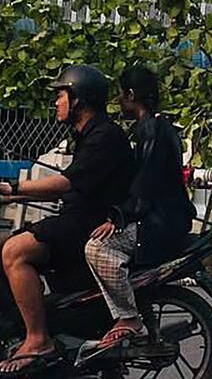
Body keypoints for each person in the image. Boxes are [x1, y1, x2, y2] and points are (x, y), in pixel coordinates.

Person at [0, 66, 134, 374]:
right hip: (78, 217)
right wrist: (14, 197)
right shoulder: (87, 135)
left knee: (13, 251)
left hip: (91, 224)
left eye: (61, 95)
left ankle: (37, 339)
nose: (56, 102)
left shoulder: (105, 136)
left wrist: (14, 187)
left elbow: (66, 184)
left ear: (78, 100)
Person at [81, 65, 194, 356]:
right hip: (163, 217)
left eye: (122, 94)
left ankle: (129, 317)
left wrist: (117, 217)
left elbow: (146, 184)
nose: (119, 101)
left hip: (160, 222)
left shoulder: (152, 129)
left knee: (97, 248)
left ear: (131, 95)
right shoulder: (153, 126)